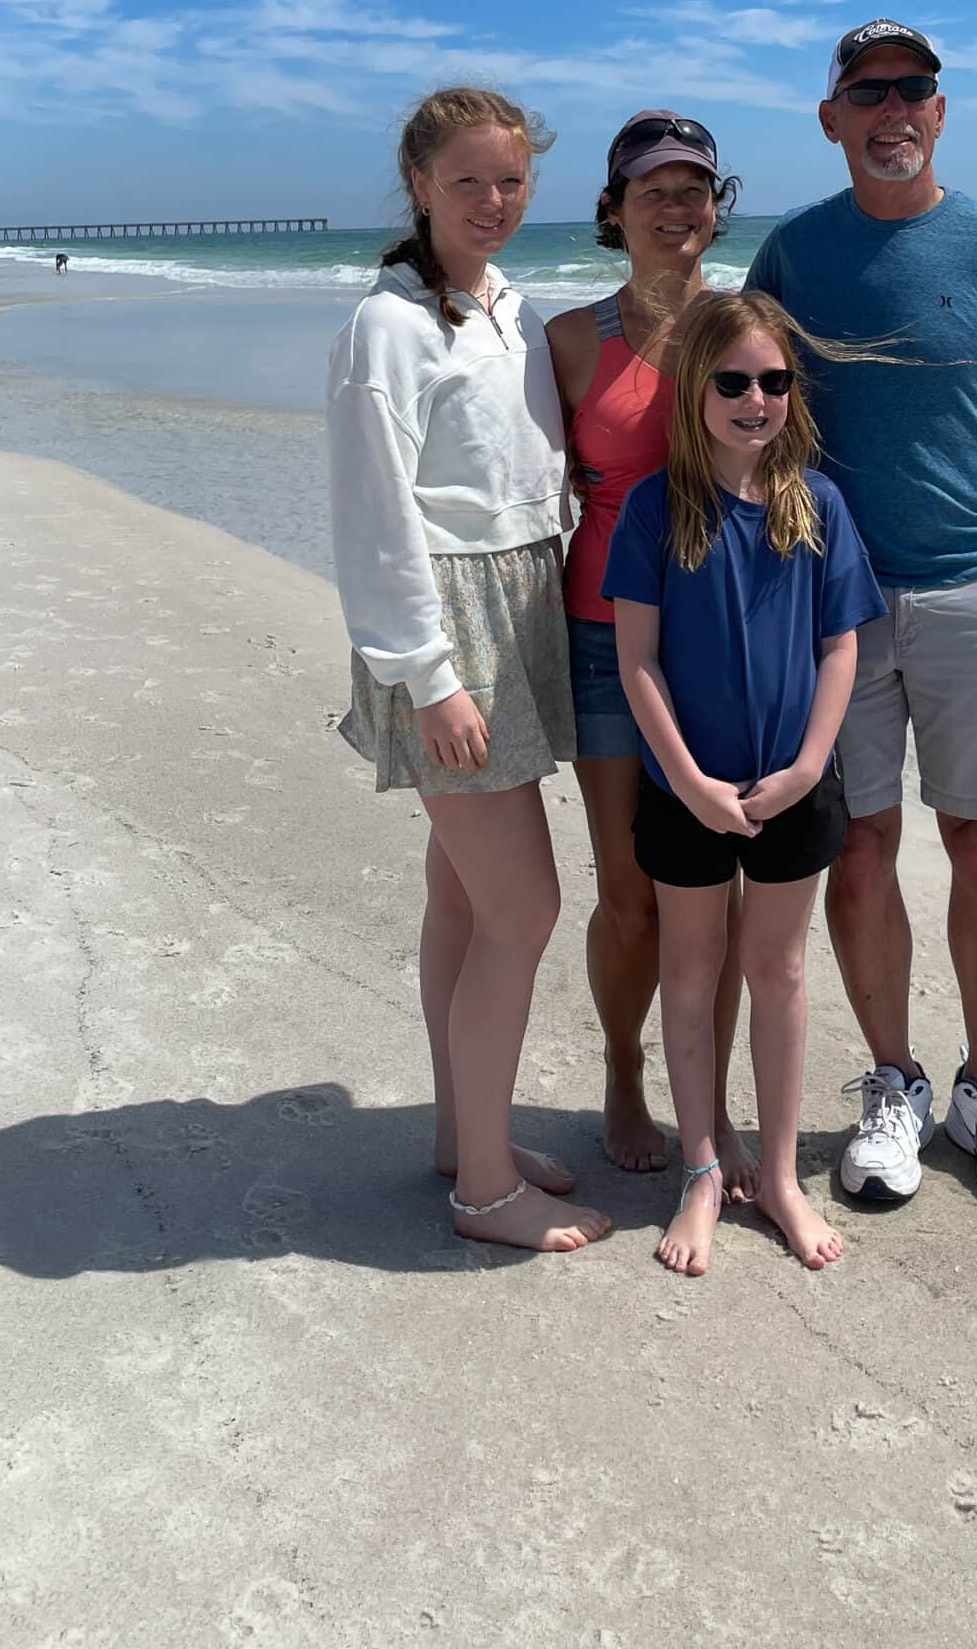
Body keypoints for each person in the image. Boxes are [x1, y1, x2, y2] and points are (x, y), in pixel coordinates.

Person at [747, 17, 977, 1215]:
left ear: (941, 112)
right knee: (859, 844)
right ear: (831, 118)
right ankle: (893, 1082)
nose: (892, 108)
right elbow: (740, 406)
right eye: (868, 92)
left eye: (914, 89)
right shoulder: (794, 254)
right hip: (837, 607)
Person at [327, 84, 610, 1257]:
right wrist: (427, 675)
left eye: (511, 180)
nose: (493, 200)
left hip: (521, 603)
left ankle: (463, 1134)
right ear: (419, 186)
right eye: (467, 181)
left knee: (460, 894)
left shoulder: (509, 306)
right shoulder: (386, 326)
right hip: (449, 632)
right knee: (523, 906)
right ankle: (488, 1192)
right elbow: (375, 517)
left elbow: (518, 462)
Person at [606, 290, 886, 1274]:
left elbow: (841, 647)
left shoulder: (819, 504)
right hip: (686, 789)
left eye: (773, 381)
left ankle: (776, 1176)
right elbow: (637, 660)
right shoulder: (656, 507)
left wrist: (809, 765)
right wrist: (685, 779)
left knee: (780, 970)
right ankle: (698, 1169)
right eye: (731, 382)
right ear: (695, 389)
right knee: (690, 972)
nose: (754, 400)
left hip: (794, 788)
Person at [546, 112, 755, 1187]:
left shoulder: (750, 329)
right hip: (602, 634)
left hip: (726, 639)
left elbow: (790, 468)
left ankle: (708, 1105)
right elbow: (520, 480)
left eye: (694, 189)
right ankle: (625, 1070)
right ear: (614, 211)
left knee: (717, 894)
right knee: (629, 890)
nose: (676, 207)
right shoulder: (570, 341)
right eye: (653, 190)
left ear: (717, 206)